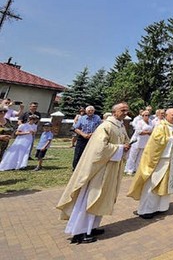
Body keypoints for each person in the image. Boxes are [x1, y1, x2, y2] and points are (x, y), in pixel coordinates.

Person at [56, 103, 131, 244]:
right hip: (99, 170)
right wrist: (120, 148)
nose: (125, 112)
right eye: (122, 110)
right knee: (91, 197)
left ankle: (92, 227)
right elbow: (99, 148)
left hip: (111, 168)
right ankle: (79, 231)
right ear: (114, 112)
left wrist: (126, 147)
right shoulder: (105, 126)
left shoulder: (120, 126)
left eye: (127, 110)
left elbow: (125, 141)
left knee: (101, 198)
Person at [127, 108, 173, 219]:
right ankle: (146, 210)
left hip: (171, 161)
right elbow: (157, 141)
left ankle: (160, 207)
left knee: (165, 185)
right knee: (152, 184)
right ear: (166, 115)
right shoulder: (161, 126)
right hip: (160, 161)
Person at [124, 110, 154, 175]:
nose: (147, 116)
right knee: (133, 156)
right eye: (146, 115)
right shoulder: (139, 122)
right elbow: (138, 132)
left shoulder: (151, 122)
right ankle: (129, 169)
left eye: (148, 115)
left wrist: (149, 132)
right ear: (142, 116)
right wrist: (147, 132)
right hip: (137, 141)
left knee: (140, 156)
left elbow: (152, 130)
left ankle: (137, 169)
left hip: (145, 141)